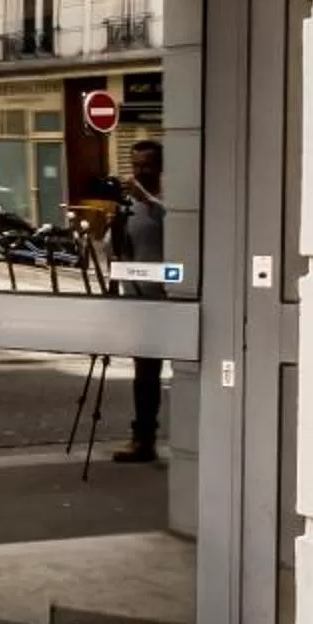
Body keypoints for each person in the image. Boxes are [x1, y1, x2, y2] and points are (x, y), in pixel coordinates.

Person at [110, 140, 169, 464]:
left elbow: (173, 220)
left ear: (160, 167)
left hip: (166, 298)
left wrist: (145, 199)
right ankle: (142, 438)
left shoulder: (166, 201)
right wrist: (117, 221)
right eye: (135, 165)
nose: (139, 171)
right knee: (144, 373)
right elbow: (117, 251)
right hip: (136, 298)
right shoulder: (130, 205)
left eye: (146, 165)